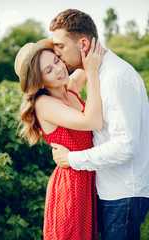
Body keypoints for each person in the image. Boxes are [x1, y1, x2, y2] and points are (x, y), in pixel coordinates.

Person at [49, 9, 149, 240]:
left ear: (83, 43)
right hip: (112, 189)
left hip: (123, 193)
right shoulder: (100, 72)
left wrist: (71, 159)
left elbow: (125, 147)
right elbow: (69, 87)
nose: (57, 53)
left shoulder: (114, 78)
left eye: (60, 46)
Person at [14, 38, 104, 239]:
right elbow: (93, 121)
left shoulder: (69, 88)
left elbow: (90, 54)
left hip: (87, 177)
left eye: (56, 60)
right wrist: (92, 73)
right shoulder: (44, 103)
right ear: (39, 83)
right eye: (48, 71)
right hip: (71, 186)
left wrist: (75, 47)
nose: (58, 69)